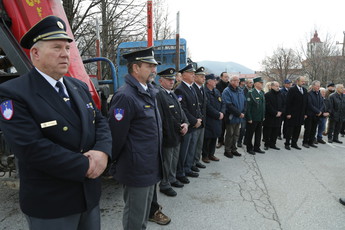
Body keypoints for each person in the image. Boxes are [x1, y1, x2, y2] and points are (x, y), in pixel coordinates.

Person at [0, 16, 111, 230]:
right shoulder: (14, 93)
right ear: (35, 53)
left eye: (67, 48)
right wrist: (87, 165)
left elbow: (100, 122)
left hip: (89, 197)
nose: (65, 54)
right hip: (51, 205)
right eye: (57, 47)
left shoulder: (78, 86)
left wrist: (103, 153)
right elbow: (30, 148)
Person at [108, 47, 162, 230]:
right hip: (136, 168)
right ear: (136, 68)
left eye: (154, 66)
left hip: (149, 165)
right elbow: (116, 135)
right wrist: (113, 162)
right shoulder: (125, 96)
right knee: (135, 216)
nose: (154, 70)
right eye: (150, 66)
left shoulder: (149, 91)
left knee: (144, 213)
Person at [156, 67, 189, 197]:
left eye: (173, 79)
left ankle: (172, 178)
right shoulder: (159, 94)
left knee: (174, 159)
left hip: (177, 133)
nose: (171, 82)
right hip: (168, 135)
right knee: (167, 161)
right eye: (168, 79)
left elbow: (181, 111)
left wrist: (185, 123)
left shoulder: (172, 93)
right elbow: (162, 118)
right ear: (161, 81)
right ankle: (164, 184)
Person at [174, 63, 202, 183]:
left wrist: (199, 118)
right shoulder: (180, 89)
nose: (193, 75)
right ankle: (180, 172)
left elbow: (197, 106)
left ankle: (188, 167)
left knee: (191, 149)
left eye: (193, 73)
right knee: (183, 151)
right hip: (189, 125)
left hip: (195, 125)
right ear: (183, 75)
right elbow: (183, 109)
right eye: (191, 73)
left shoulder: (191, 88)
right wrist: (194, 120)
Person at [202, 74, 225, 162]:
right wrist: (217, 114)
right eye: (214, 80)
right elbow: (207, 106)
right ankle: (205, 156)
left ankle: (211, 154)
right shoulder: (204, 92)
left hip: (218, 118)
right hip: (209, 119)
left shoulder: (216, 91)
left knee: (214, 137)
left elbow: (222, 102)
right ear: (208, 82)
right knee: (207, 138)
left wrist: (222, 112)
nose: (216, 82)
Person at [222, 76, 246, 158]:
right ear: (231, 81)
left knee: (236, 134)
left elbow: (244, 102)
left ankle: (234, 149)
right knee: (230, 134)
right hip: (231, 116)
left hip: (239, 116)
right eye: (235, 80)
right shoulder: (227, 91)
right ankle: (227, 150)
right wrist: (238, 113)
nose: (237, 82)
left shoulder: (240, 90)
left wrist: (243, 112)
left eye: (238, 80)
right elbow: (228, 105)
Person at [284, 76, 308, 150]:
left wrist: (305, 113)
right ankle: (287, 143)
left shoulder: (304, 90)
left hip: (301, 114)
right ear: (297, 81)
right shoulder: (292, 90)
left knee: (298, 129)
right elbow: (288, 102)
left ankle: (294, 143)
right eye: (302, 81)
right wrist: (288, 113)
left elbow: (306, 102)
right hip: (292, 114)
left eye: (304, 81)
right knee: (290, 129)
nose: (303, 83)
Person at [245, 77, 266, 155]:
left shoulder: (261, 93)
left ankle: (257, 147)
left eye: (262, 83)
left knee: (258, 133)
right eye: (261, 83)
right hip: (253, 118)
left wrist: (263, 116)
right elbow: (248, 107)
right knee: (250, 133)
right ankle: (249, 148)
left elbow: (263, 106)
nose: (262, 84)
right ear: (256, 84)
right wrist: (249, 118)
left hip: (260, 117)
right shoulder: (251, 93)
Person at [192, 67, 207, 169]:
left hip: (202, 121)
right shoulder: (193, 88)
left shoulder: (202, 88)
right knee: (193, 145)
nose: (204, 79)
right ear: (195, 77)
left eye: (204, 77)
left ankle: (196, 160)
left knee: (199, 144)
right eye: (201, 76)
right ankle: (191, 163)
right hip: (195, 121)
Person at [302, 80, 324, 148]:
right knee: (308, 129)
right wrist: (318, 111)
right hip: (310, 114)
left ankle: (311, 142)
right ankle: (305, 142)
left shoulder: (319, 93)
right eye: (317, 86)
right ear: (313, 86)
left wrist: (320, 111)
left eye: (319, 86)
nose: (318, 87)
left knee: (314, 129)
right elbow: (310, 104)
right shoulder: (309, 93)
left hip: (317, 115)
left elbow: (322, 103)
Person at [263, 81, 283, 150]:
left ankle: (273, 144)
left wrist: (280, 112)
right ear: (272, 86)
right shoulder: (267, 95)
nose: (278, 87)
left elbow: (284, 104)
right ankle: (266, 144)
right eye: (276, 86)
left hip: (278, 116)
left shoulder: (281, 94)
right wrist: (275, 113)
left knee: (275, 131)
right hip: (270, 116)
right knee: (268, 131)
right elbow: (267, 106)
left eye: (278, 86)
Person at [216, 72, 229, 148]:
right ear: (221, 77)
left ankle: (227, 141)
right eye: (225, 77)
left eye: (227, 77)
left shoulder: (229, 85)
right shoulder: (218, 85)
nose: (227, 78)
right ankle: (220, 141)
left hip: (229, 109)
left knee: (229, 127)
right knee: (222, 127)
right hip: (221, 108)